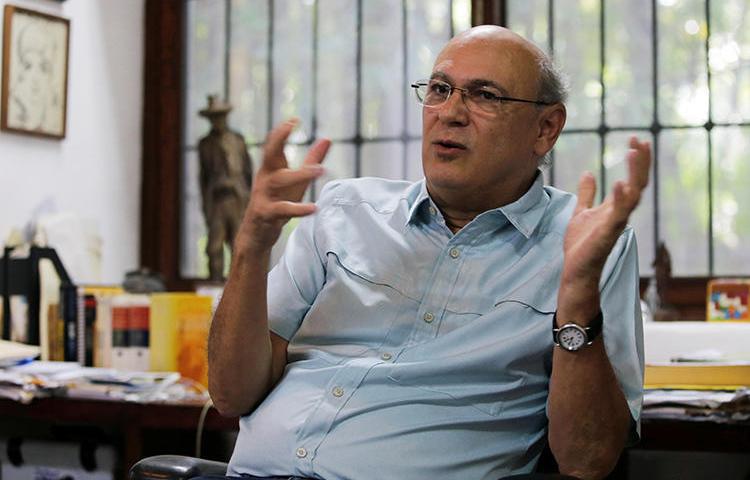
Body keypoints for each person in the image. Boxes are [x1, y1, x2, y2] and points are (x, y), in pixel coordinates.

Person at [208, 25, 649, 480]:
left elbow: (587, 459)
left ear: (545, 128)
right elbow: (230, 396)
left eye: (485, 96)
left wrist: (576, 292)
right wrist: (251, 246)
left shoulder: (587, 242)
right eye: (439, 89)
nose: (450, 113)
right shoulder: (344, 210)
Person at [198, 96, 254, 281]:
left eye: (220, 116)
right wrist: (206, 205)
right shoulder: (205, 144)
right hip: (217, 200)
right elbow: (204, 178)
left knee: (239, 244)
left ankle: (238, 285)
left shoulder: (238, 140)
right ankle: (215, 280)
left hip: (238, 199)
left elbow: (247, 172)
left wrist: (249, 201)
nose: (218, 121)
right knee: (214, 245)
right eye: (214, 117)